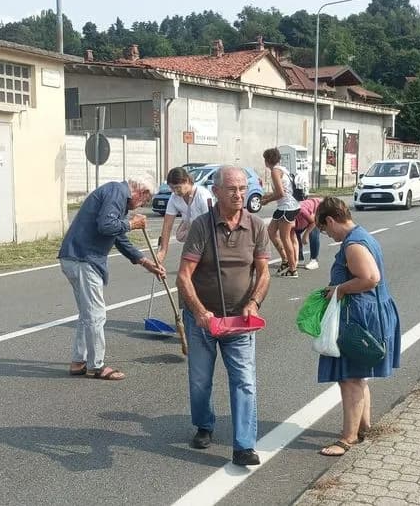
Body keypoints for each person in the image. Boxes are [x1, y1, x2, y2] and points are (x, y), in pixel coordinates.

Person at [176, 166, 271, 466]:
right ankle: (204, 424)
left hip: (240, 321)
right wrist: (199, 311)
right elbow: (183, 276)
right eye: (231, 188)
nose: (239, 194)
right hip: (203, 320)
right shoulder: (202, 226)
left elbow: (264, 272)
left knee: (244, 380)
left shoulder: (256, 226)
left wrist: (254, 302)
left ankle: (244, 445)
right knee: (201, 380)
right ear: (216, 191)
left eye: (242, 188)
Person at [314, 197, 402, 456]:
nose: (327, 234)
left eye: (324, 229)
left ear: (330, 220)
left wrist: (337, 289)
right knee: (358, 375)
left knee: (350, 378)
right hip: (372, 311)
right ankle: (364, 427)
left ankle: (348, 438)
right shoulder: (362, 236)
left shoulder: (353, 244)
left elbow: (370, 278)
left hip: (362, 316)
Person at [58, 175, 165, 381]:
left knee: (87, 314)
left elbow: (118, 237)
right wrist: (131, 224)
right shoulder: (117, 192)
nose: (141, 206)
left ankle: (79, 361)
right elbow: (106, 226)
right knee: (97, 314)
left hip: (76, 257)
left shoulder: (116, 197)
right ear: (140, 192)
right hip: (84, 258)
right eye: (144, 201)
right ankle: (96, 365)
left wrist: (146, 262)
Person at [156, 167, 213, 265]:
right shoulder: (174, 198)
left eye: (178, 187)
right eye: (172, 188)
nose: (175, 191)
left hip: (207, 235)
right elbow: (167, 225)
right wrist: (163, 251)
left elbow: (211, 225)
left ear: (187, 181)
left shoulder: (202, 195)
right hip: (192, 235)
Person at [260, 147, 300, 277]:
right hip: (285, 206)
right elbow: (281, 190)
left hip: (287, 207)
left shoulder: (275, 172)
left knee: (285, 237)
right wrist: (268, 196)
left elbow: (281, 193)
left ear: (267, 160)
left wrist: (267, 201)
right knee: (271, 232)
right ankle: (285, 259)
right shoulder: (282, 169)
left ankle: (293, 268)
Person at [293, 196, 321, 270]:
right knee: (294, 233)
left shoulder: (301, 210)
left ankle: (314, 260)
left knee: (313, 232)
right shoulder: (285, 216)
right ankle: (300, 258)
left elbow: (313, 222)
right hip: (303, 220)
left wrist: (305, 235)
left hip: (316, 211)